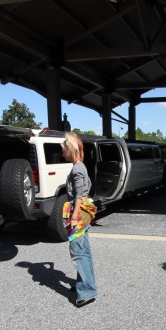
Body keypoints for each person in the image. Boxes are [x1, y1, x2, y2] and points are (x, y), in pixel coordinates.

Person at [62, 132, 98, 308]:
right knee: (84, 249)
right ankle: (83, 284)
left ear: (70, 149)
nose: (62, 152)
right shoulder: (81, 166)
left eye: (64, 149)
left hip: (78, 214)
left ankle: (87, 291)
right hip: (83, 212)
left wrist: (74, 216)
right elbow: (86, 188)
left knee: (77, 251)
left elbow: (78, 195)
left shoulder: (77, 168)